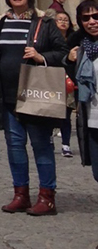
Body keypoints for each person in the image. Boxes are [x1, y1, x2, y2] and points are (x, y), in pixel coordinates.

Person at [0, 0, 67, 217]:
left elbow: (62, 53)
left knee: (40, 145)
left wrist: (40, 56)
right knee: (15, 146)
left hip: (34, 95)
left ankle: (47, 197)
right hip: (7, 96)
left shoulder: (43, 22)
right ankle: (21, 195)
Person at [67, 0, 98, 186]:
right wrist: (69, 61)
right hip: (92, 117)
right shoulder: (79, 48)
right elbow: (72, 80)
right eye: (86, 18)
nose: (92, 21)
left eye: (96, 16)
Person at [52, 10, 75, 157]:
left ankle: (65, 144)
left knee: (66, 113)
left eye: (66, 19)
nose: (63, 22)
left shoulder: (73, 39)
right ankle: (48, 138)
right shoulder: (49, 39)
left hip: (69, 81)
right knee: (51, 112)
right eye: (60, 19)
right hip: (52, 79)